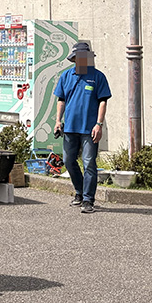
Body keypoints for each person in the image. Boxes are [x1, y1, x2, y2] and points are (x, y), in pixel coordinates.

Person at [53, 40, 110, 214]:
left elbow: (103, 101)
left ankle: (88, 199)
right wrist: (57, 121)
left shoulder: (98, 76)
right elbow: (61, 100)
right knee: (69, 161)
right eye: (78, 57)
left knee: (89, 163)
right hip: (70, 127)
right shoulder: (66, 76)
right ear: (74, 58)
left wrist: (99, 124)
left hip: (89, 128)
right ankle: (79, 191)